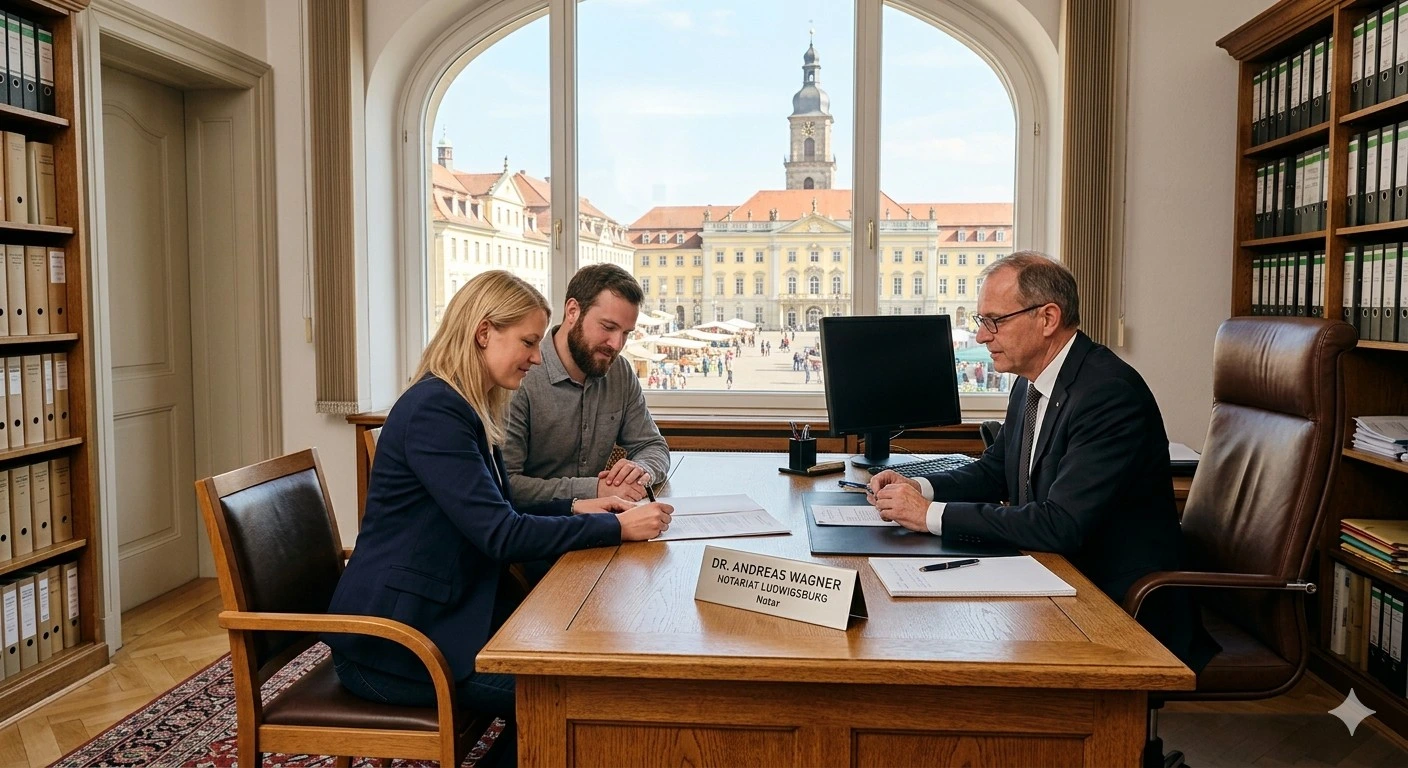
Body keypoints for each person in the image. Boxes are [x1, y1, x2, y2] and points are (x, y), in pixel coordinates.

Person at [325, 270, 673, 766]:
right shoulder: (434, 412)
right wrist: (615, 527)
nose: (537, 355)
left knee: (578, 684)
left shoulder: (465, 405)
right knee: (580, 701)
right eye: (528, 342)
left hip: (441, 618)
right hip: (396, 645)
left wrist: (581, 505)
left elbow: (502, 507)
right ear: (483, 332)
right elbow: (502, 534)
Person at [867, 251, 1216, 672]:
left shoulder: (1107, 394)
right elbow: (996, 470)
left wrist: (930, 516)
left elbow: (1059, 525)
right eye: (981, 322)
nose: (982, 336)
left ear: (1047, 318)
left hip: (1117, 607)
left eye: (994, 321)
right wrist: (917, 487)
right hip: (1060, 579)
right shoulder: (1031, 383)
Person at [505, 264, 671, 504]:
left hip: (600, 523)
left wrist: (641, 470)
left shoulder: (619, 372)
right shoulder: (522, 374)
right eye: (608, 327)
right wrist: (595, 490)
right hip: (535, 529)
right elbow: (507, 484)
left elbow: (652, 444)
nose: (616, 344)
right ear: (572, 311)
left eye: (626, 333)